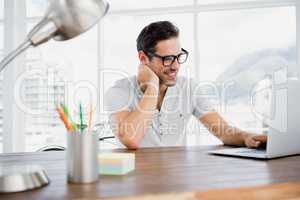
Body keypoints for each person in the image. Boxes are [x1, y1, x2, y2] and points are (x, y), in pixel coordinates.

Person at [104, 21, 267, 149]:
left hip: (177, 176)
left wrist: (246, 137)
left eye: (178, 56)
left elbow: (223, 131)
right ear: (143, 58)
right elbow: (131, 139)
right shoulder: (118, 92)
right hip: (134, 181)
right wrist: (152, 86)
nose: (175, 66)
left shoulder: (189, 88)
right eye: (167, 59)